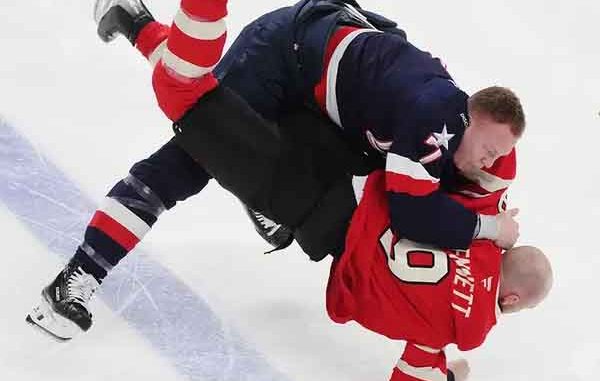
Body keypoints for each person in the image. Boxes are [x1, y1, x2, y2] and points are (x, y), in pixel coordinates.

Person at [26, 0, 525, 341]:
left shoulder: (460, 131)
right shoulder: (432, 118)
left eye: (495, 157)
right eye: (487, 148)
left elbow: (459, 187)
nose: (489, 163)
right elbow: (415, 215)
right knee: (189, 153)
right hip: (283, 54)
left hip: (324, 84)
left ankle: (131, 20)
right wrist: (489, 226)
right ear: (472, 116)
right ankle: (75, 278)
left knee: (238, 128)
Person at [326, 166, 553, 381]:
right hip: (340, 253)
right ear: (512, 299)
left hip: (364, 196)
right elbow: (412, 372)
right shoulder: (465, 327)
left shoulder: (483, 234)